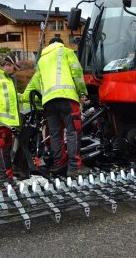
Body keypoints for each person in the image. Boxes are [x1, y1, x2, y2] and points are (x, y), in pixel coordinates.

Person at [36, 36, 90, 177]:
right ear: (61, 44)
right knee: (73, 132)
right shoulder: (66, 52)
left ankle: (58, 164)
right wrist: (82, 92)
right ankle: (74, 168)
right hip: (66, 98)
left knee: (55, 135)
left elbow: (38, 82)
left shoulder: (41, 60)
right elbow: (77, 74)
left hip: (48, 102)